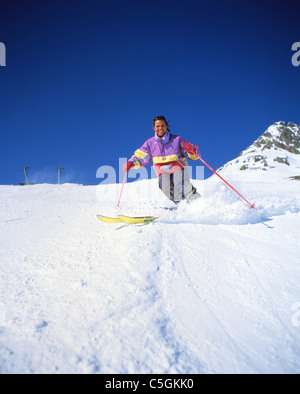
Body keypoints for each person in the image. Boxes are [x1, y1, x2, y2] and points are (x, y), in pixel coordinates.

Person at [123, 115, 201, 204]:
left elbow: (193, 156)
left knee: (181, 183)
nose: (160, 128)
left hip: (178, 169)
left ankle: (198, 203)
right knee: (164, 185)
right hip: (163, 172)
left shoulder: (177, 139)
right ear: (154, 128)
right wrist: (131, 163)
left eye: (162, 125)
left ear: (166, 126)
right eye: (157, 126)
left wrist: (191, 150)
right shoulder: (150, 143)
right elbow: (140, 156)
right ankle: (182, 205)